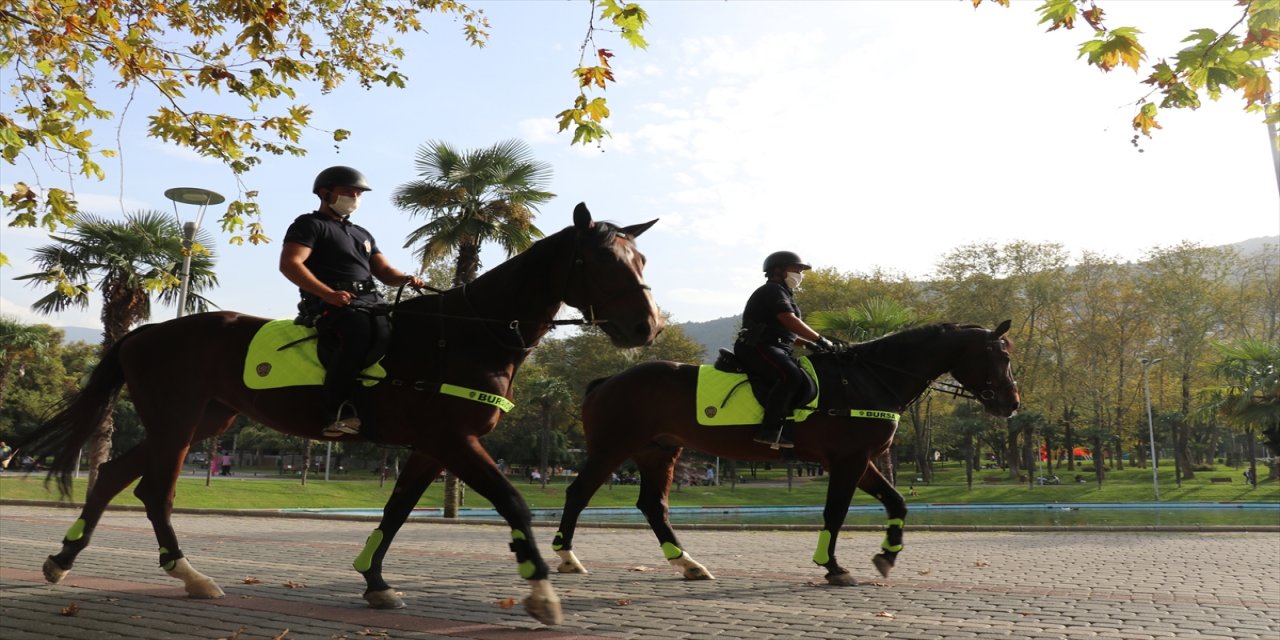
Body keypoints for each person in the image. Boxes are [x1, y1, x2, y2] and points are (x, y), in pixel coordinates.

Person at [280, 166, 424, 437]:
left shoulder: (362, 234)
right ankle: (336, 410)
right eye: (348, 192)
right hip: (331, 303)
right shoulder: (309, 225)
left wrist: (405, 278)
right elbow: (290, 264)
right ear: (325, 193)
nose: (355, 197)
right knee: (358, 333)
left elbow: (385, 272)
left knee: (394, 331)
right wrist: (326, 294)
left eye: (358, 193)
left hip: (369, 301)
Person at [734, 251, 834, 448]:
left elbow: (784, 331)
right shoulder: (772, 291)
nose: (800, 274)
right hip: (758, 347)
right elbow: (788, 320)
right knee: (790, 376)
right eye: (796, 269)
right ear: (778, 270)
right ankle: (768, 430)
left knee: (800, 377)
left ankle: (788, 427)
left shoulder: (783, 293)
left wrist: (808, 344)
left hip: (775, 346)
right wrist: (821, 339)